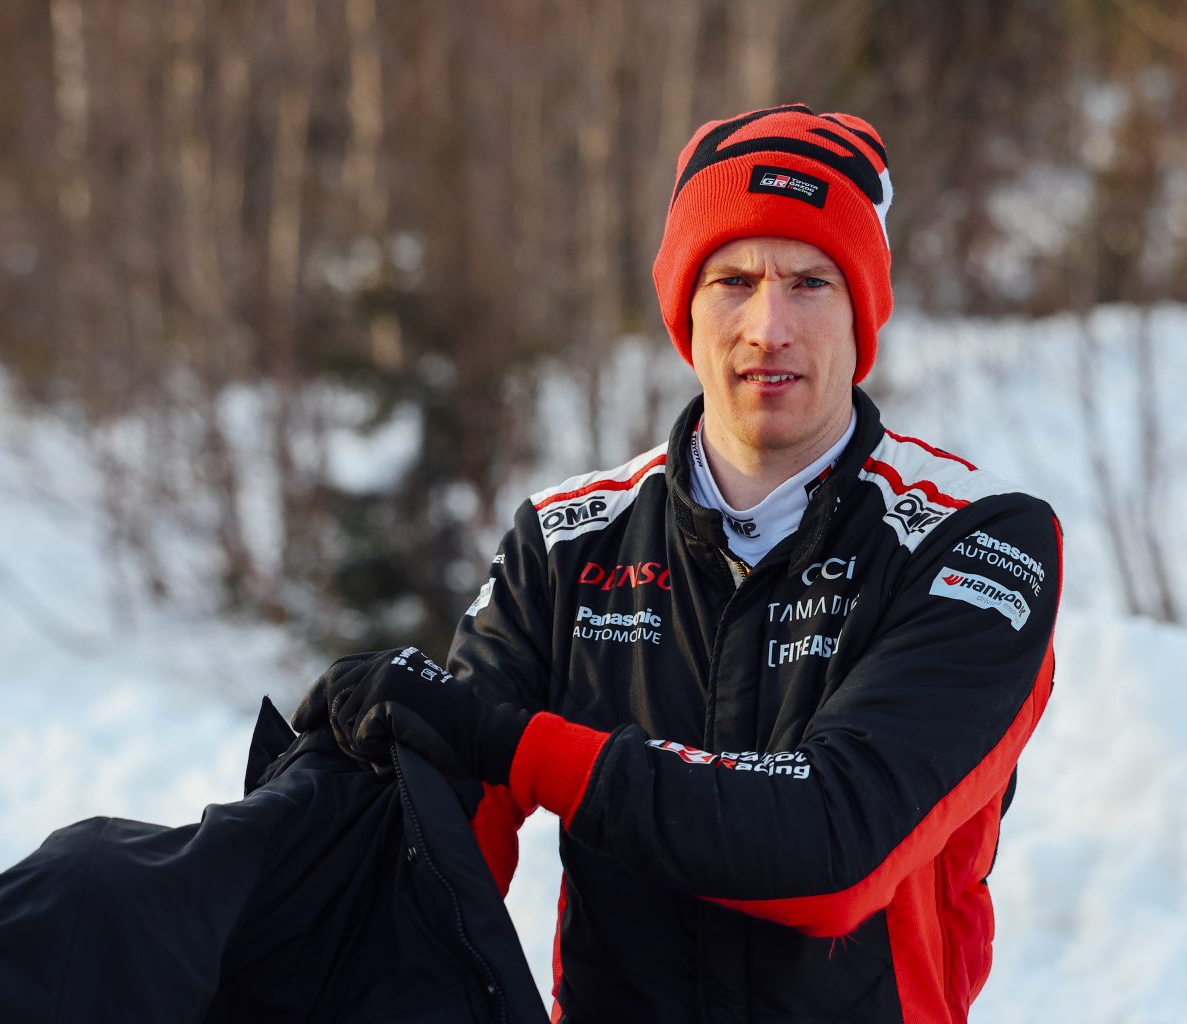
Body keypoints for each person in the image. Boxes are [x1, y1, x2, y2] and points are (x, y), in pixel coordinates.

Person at [301, 104, 1062, 1022]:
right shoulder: (567, 542)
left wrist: (513, 742)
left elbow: (833, 848)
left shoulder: (978, 539)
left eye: (811, 283)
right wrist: (300, 818)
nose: (769, 327)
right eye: (734, 280)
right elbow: (437, 849)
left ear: (862, 312)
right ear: (684, 308)